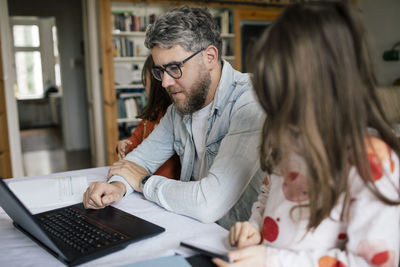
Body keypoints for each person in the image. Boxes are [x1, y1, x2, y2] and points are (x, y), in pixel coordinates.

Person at [213, 1, 400, 266]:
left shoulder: (370, 162)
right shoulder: (288, 138)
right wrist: (254, 229)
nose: (279, 116)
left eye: (285, 100)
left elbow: (372, 263)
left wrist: (272, 261)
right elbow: (267, 197)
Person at [83, 5, 265, 229]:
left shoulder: (251, 100)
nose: (165, 83)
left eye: (175, 67)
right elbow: (138, 160)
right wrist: (117, 187)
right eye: (160, 71)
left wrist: (142, 182)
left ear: (209, 57)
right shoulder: (180, 108)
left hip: (244, 245)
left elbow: (208, 204)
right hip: (194, 230)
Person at [116, 55, 180, 179]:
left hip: (161, 183)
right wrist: (124, 146)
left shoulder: (171, 116)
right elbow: (134, 142)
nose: (144, 85)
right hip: (144, 180)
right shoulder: (150, 116)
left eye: (146, 80)